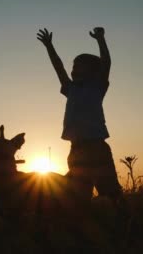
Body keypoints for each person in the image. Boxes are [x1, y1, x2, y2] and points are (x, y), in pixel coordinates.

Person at [36, 27, 124, 208]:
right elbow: (58, 66)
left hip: (97, 148)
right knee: (78, 197)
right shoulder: (70, 88)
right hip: (77, 150)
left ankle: (124, 221)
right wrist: (49, 46)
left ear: (93, 71)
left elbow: (106, 62)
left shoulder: (98, 86)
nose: (73, 70)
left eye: (78, 67)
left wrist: (100, 39)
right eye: (73, 67)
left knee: (111, 193)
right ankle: (84, 224)